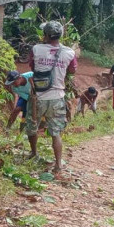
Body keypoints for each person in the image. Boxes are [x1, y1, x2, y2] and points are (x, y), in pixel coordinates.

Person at [26, 21, 78, 174]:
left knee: (32, 127)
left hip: (38, 97)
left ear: (46, 35)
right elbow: (72, 71)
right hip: (57, 97)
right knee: (56, 133)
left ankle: (34, 153)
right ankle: (58, 165)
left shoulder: (36, 49)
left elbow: (32, 67)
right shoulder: (69, 52)